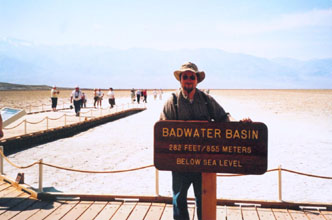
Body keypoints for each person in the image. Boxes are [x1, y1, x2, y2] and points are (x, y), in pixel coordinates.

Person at [160, 62, 250, 220]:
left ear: (197, 80)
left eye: (191, 77)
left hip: (204, 161)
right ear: (180, 80)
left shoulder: (207, 100)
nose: (188, 80)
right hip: (180, 162)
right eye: (185, 77)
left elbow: (224, 117)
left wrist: (239, 124)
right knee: (179, 198)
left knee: (203, 198)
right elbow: (163, 129)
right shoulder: (172, 101)